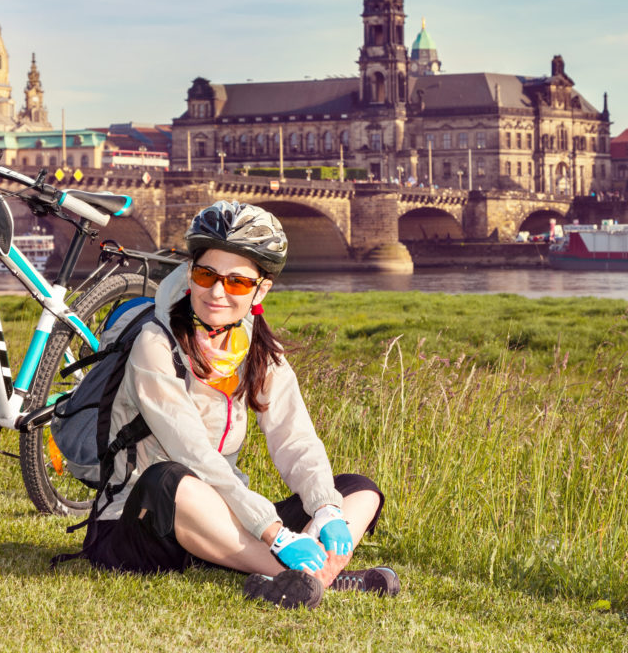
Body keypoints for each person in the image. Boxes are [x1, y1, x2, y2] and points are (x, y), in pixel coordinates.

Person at [79, 199, 399, 608]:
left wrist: (326, 509)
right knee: (173, 479)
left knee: (358, 492)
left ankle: (302, 576)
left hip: (220, 522)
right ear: (190, 274)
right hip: (140, 523)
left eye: (237, 282)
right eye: (206, 274)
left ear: (261, 288)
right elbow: (193, 454)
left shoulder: (259, 351)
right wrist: (275, 533)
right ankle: (309, 575)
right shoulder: (155, 344)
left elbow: (294, 439)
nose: (216, 292)